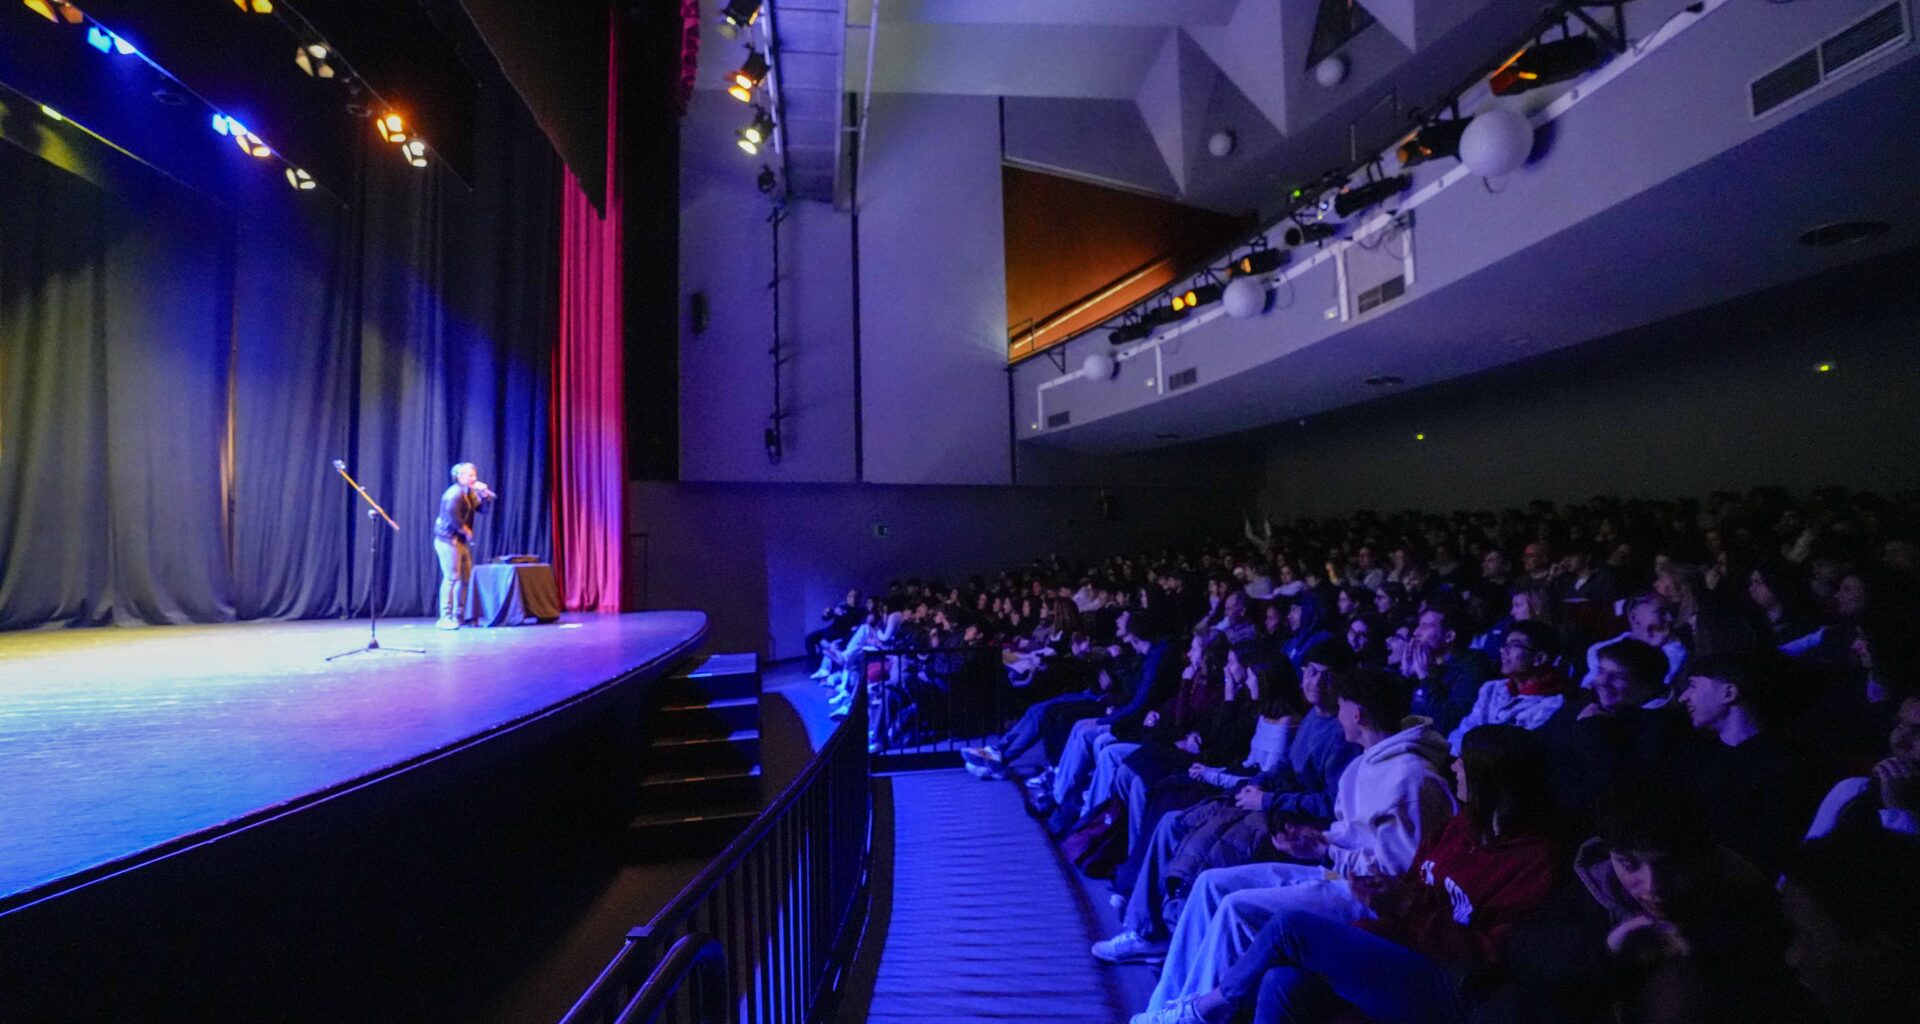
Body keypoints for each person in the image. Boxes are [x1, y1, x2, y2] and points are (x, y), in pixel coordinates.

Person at [1143, 726, 1563, 1024]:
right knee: (1282, 980)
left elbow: (1490, 955)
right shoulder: (1460, 829)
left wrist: (1404, 904)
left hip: (1451, 981)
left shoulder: (1532, 861)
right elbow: (1415, 884)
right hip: (1406, 941)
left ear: (1494, 779)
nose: (1455, 767)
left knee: (1291, 927)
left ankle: (1207, 1008)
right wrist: (1386, 894)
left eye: (1466, 764)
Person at [1139, 669, 1456, 1014]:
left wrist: (1326, 849)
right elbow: (1352, 834)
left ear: (1357, 714)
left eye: (1342, 707)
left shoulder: (1409, 778)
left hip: (1368, 897)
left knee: (1237, 908)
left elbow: (1398, 872)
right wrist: (1318, 840)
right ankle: (1166, 1005)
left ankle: (1197, 1015)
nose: (1337, 716)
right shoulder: (1365, 763)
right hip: (1338, 873)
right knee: (1210, 884)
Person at [433, 461, 494, 630]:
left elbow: (483, 510)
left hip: (460, 541)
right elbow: (454, 519)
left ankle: (459, 616)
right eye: (470, 475)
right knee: (452, 578)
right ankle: (445, 617)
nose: (474, 478)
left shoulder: (469, 492)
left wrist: (484, 495)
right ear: (460, 477)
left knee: (466, 578)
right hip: (447, 540)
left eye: (475, 475)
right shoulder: (453, 494)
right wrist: (465, 530)